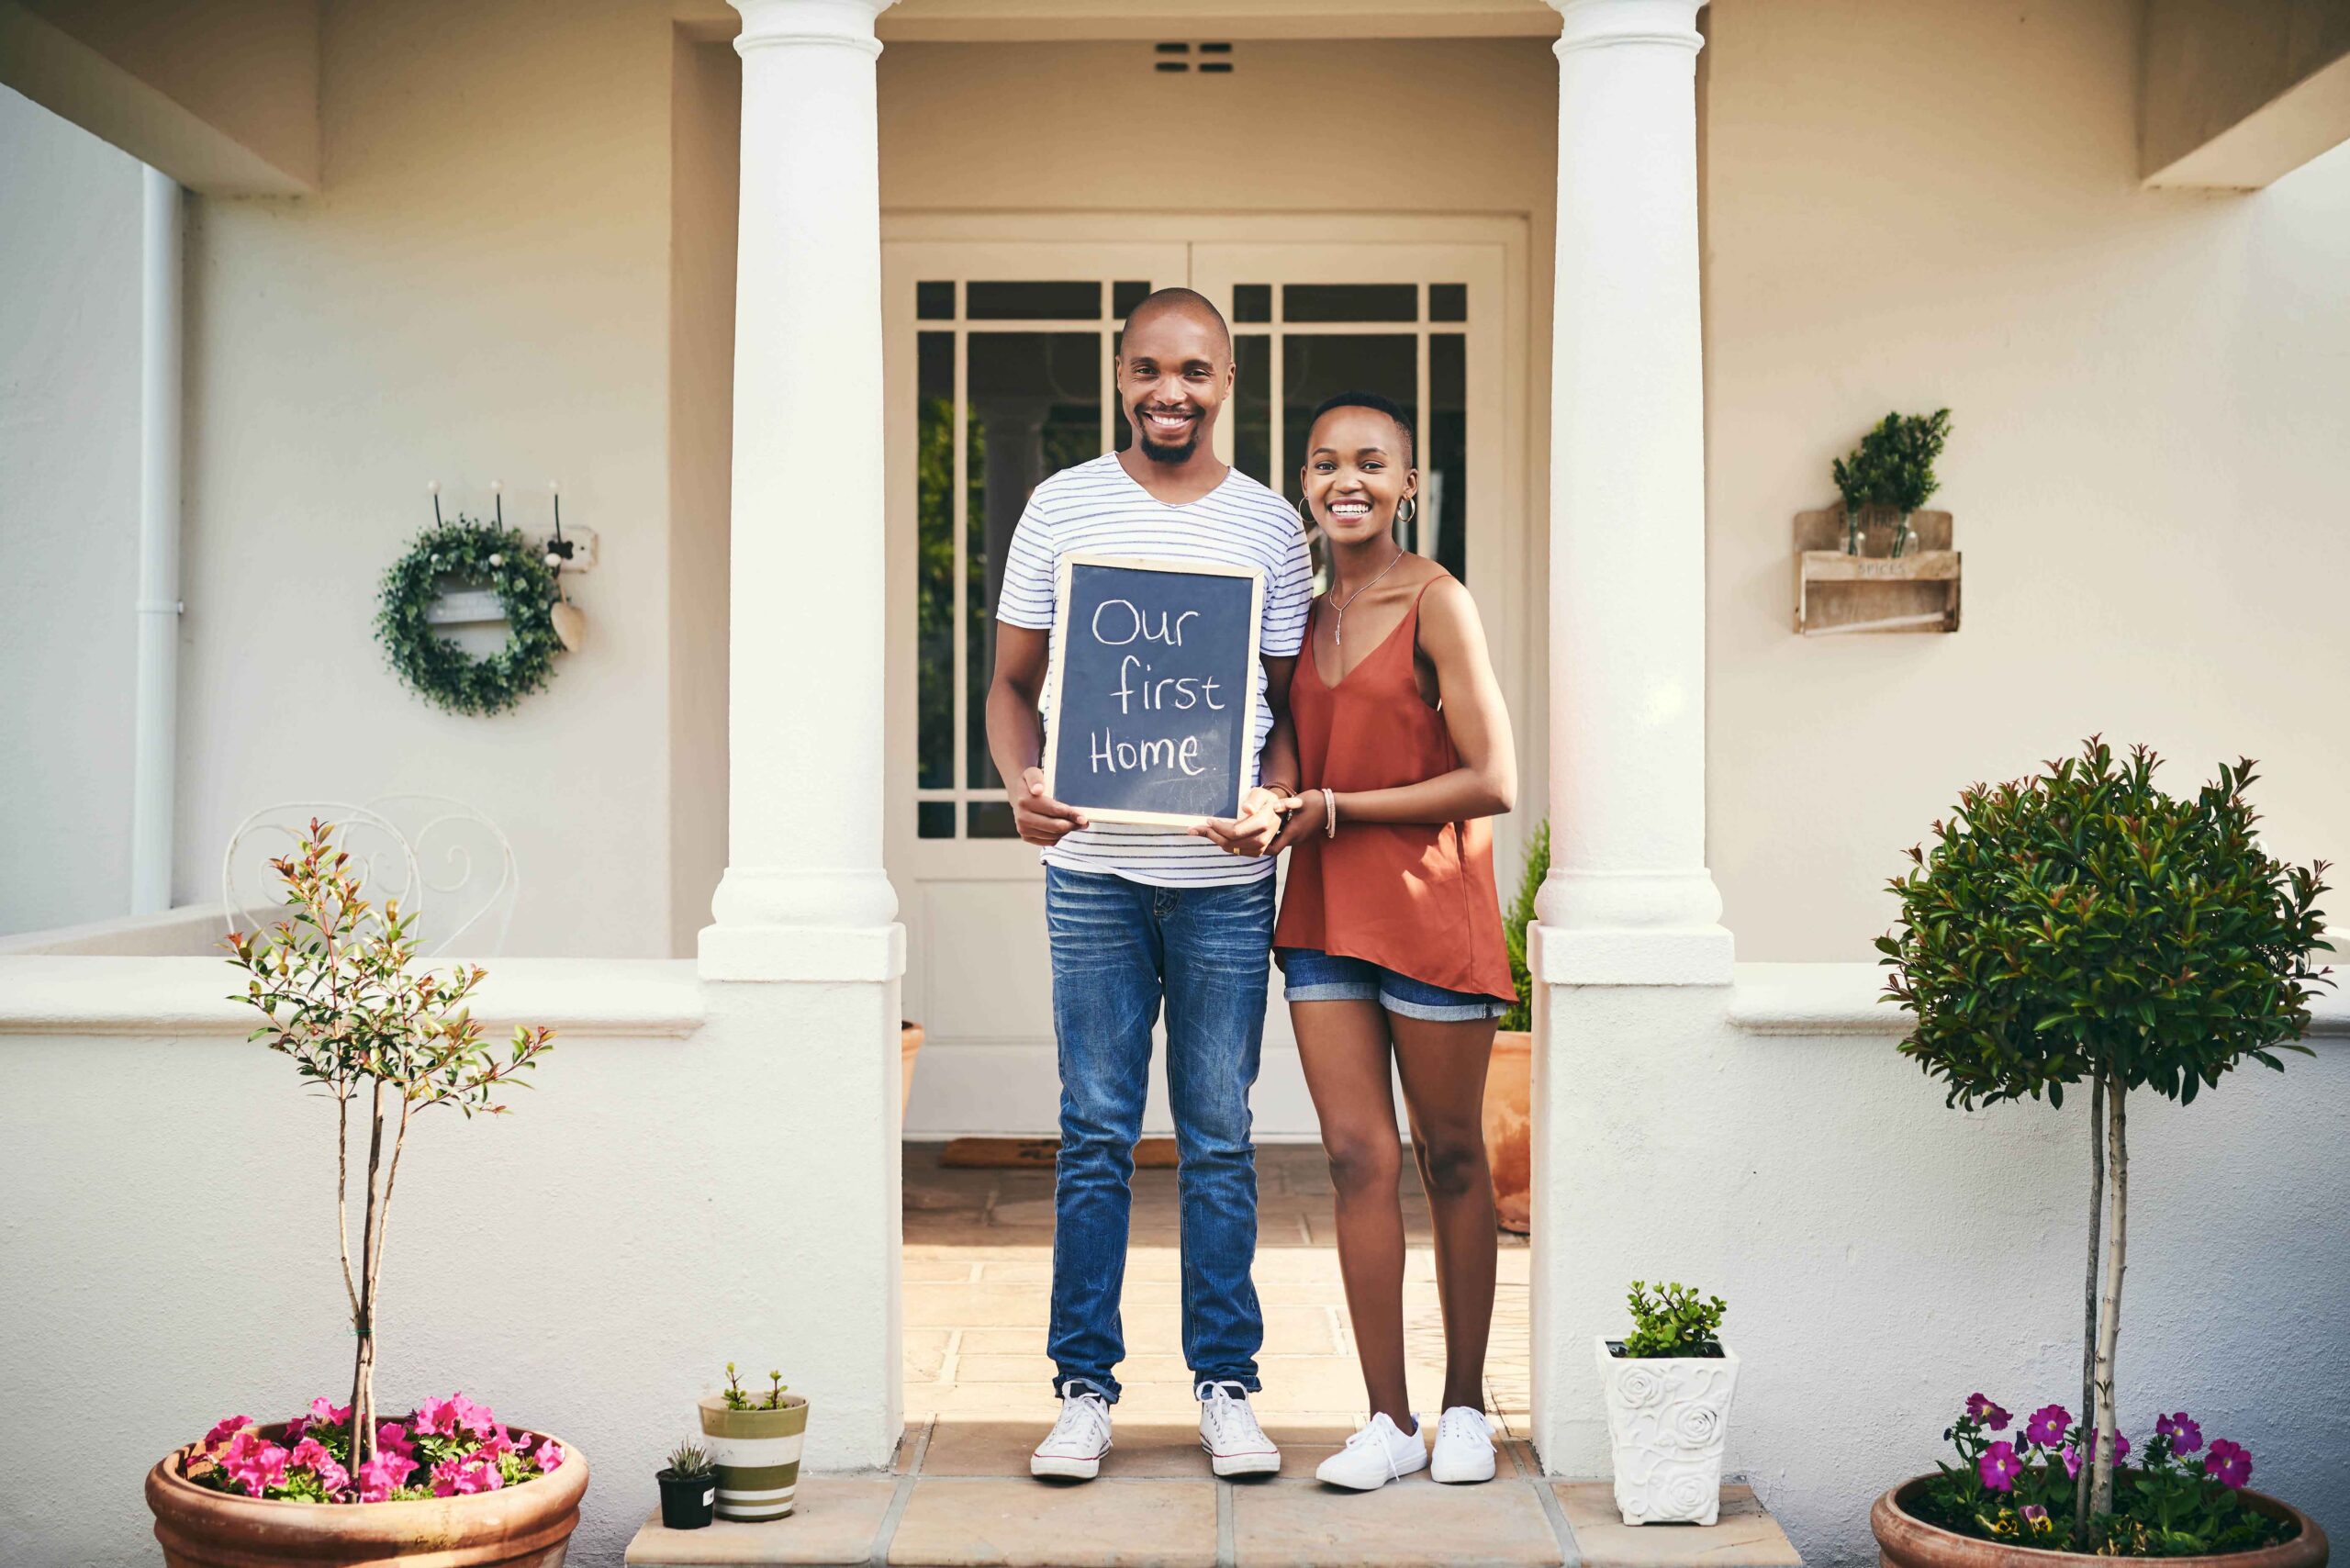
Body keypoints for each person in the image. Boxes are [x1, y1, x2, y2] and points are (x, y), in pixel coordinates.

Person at [985, 287, 1313, 1482]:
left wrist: (1273, 802)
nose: (1169, 391)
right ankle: (1084, 1392)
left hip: (1225, 887)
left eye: (1194, 371)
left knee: (1220, 1139)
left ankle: (1226, 1384)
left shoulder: (1270, 527)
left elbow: (1291, 713)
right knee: (1094, 1136)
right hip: (1094, 878)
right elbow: (1010, 686)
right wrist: (1021, 783)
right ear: (1118, 374)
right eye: (1147, 369)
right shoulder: (1062, 504)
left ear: (1228, 382)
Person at [1248, 389, 1517, 1490]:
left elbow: (1492, 777)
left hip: (1426, 908)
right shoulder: (1298, 617)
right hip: (1321, 917)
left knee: (1450, 1157)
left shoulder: (1437, 601)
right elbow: (1281, 748)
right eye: (1322, 464)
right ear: (1304, 487)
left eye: (1369, 462)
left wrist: (1340, 808)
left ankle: (1463, 1407)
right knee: (1356, 1159)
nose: (1343, 480)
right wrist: (1269, 805)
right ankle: (1387, 1419)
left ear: (1409, 483)